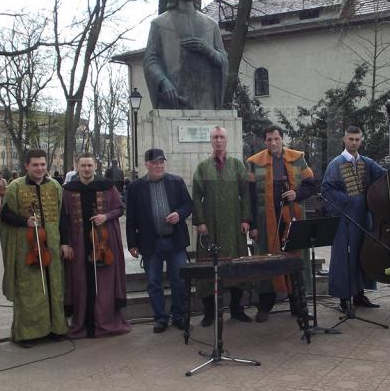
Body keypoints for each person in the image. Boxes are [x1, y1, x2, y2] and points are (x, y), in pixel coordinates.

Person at [246, 125, 318, 323]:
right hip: (264, 220)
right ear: (264, 141)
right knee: (266, 260)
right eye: (269, 140)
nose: (273, 143)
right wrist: (252, 224)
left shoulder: (298, 158)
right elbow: (250, 196)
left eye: (276, 139)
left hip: (293, 218)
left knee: (296, 259)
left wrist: (297, 194)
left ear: (282, 138)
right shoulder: (254, 162)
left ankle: (298, 305)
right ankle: (265, 304)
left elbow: (312, 185)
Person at [0, 149, 69, 347]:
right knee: (29, 289)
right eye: (35, 165)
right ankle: (27, 334)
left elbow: (63, 217)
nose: (39, 168)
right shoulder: (15, 187)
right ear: (26, 166)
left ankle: (56, 328)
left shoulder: (55, 186)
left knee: (54, 286)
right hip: (27, 246)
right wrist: (25, 221)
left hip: (52, 245)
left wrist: (64, 242)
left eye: (42, 164)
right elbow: (5, 216)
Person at [60, 152, 131, 338]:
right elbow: (64, 219)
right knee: (80, 283)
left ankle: (105, 320)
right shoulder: (68, 190)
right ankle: (83, 323)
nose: (86, 169)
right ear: (77, 166)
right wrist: (65, 243)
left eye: (89, 165)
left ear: (95, 167)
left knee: (104, 284)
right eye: (83, 165)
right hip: (79, 244)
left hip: (103, 243)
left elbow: (119, 208)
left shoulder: (107, 187)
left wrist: (105, 216)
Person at [144, 0, 228, 110]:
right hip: (175, 97)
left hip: (205, 99)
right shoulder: (159, 23)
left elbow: (223, 60)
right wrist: (163, 81)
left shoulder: (211, 24)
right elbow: (151, 60)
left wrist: (207, 49)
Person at [126, 148, 192, 333]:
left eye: (161, 162)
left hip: (174, 241)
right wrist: (132, 243)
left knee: (178, 280)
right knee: (154, 282)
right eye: (155, 162)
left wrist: (179, 214)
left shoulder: (176, 182)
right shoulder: (135, 187)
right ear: (146, 164)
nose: (159, 165)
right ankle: (160, 318)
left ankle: (178, 315)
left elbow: (188, 204)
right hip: (150, 242)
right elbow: (130, 218)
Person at [192, 126, 253, 326]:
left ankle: (236, 309)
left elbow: (246, 194)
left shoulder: (237, 166)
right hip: (210, 226)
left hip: (234, 225)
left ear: (227, 140)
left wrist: (246, 219)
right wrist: (200, 221)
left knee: (237, 266)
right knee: (208, 268)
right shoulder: (203, 167)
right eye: (215, 137)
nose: (218, 140)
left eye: (221, 137)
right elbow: (196, 196)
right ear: (210, 140)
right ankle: (209, 312)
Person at [322, 126, 385, 312]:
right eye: (351, 139)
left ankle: (359, 295)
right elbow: (327, 190)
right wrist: (347, 201)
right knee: (344, 257)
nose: (354, 142)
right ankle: (343, 298)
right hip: (345, 219)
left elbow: (383, 176)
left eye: (357, 139)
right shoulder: (335, 164)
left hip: (365, 218)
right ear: (344, 139)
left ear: (361, 140)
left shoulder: (367, 162)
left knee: (363, 254)